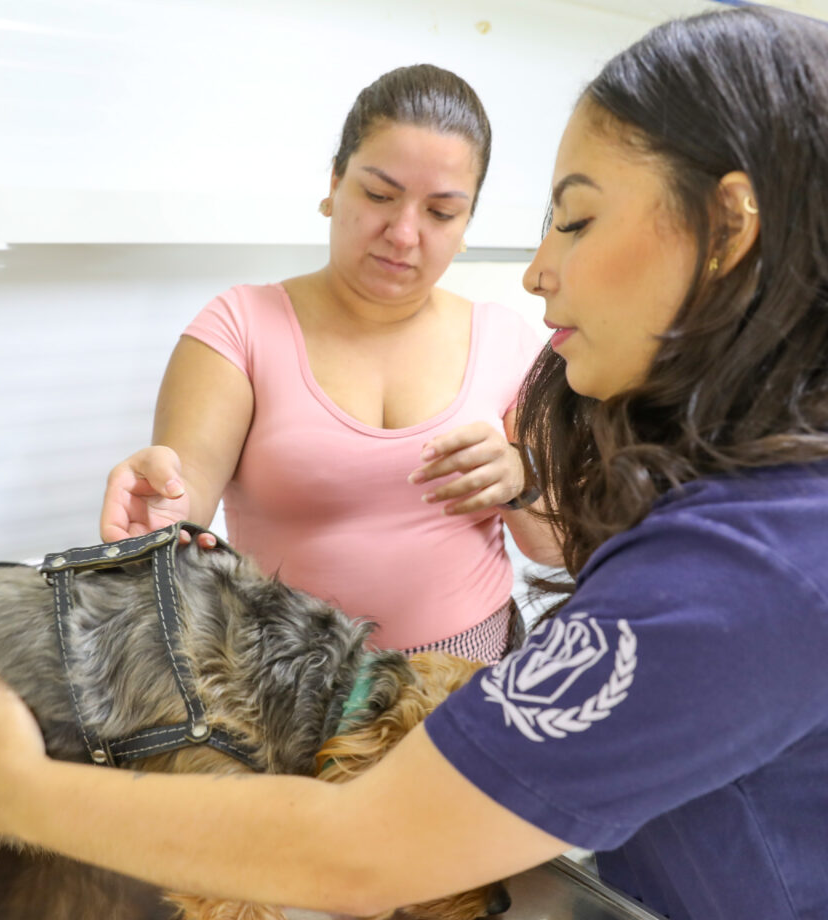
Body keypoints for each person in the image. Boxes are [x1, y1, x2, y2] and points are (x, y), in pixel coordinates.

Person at [0, 8, 828, 920]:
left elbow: (366, 844)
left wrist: (27, 795)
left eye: (572, 219)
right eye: (381, 194)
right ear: (331, 188)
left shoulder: (765, 557)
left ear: (729, 228)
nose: (535, 268)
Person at [98, 64, 554, 660]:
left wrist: (520, 480)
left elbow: (553, 547)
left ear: (467, 224)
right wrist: (157, 513)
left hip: (468, 670)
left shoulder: (508, 341)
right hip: (289, 684)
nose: (403, 233)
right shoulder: (240, 328)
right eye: (379, 194)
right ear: (333, 183)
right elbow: (184, 514)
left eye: (441, 212)